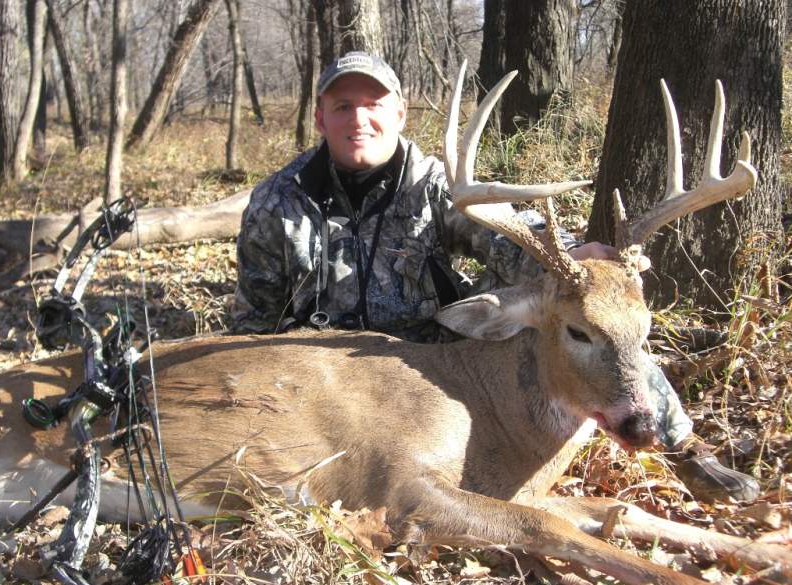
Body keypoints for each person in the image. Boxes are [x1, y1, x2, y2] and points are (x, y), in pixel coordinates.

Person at [232, 51, 758, 503]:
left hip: (433, 355)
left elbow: (510, 245)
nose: (358, 119)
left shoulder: (436, 185)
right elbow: (255, 317)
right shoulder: (279, 201)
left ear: (399, 112)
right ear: (321, 119)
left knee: (591, 317)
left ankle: (684, 444)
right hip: (323, 372)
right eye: (342, 106)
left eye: (372, 105)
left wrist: (572, 260)